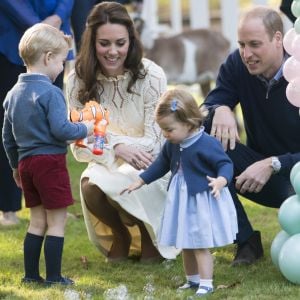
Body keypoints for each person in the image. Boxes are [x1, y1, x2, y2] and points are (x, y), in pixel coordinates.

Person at [66, 1, 179, 262]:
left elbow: (156, 140)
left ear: (131, 40)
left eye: (120, 42)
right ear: (91, 42)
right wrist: (116, 148)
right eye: (104, 43)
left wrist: (109, 141)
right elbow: (79, 142)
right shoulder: (77, 79)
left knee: (129, 174)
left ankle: (147, 233)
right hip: (105, 160)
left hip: (149, 162)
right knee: (91, 186)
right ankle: (121, 234)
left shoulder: (152, 75)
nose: (113, 51)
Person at [203, 6, 300, 266]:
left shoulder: (299, 70)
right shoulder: (237, 63)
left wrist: (274, 163)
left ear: (279, 39)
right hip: (253, 176)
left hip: (296, 175)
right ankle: (245, 240)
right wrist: (219, 107)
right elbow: (204, 109)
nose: (247, 54)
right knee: (200, 136)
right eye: (242, 44)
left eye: (255, 44)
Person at [122, 89, 238, 297]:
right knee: (185, 241)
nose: (166, 134)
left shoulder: (207, 143)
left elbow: (225, 164)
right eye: (163, 130)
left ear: (189, 122)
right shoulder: (173, 144)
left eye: (169, 129)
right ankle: (192, 280)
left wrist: (221, 180)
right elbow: (161, 165)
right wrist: (140, 180)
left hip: (202, 198)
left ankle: (206, 282)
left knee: (200, 241)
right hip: (181, 198)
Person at [2, 23, 93, 285]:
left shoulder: (12, 94)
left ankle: (31, 276)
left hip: (27, 164)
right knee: (56, 222)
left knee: (37, 221)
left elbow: (7, 137)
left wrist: (15, 167)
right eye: (62, 61)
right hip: (50, 163)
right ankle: (54, 277)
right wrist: (85, 127)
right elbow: (61, 129)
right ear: (48, 58)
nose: (61, 68)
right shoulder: (51, 93)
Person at [0, 0, 74, 226]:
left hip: (55, 33)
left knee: (52, 122)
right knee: (11, 123)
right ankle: (8, 206)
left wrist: (57, 18)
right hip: (14, 37)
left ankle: (53, 204)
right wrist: (38, 29)